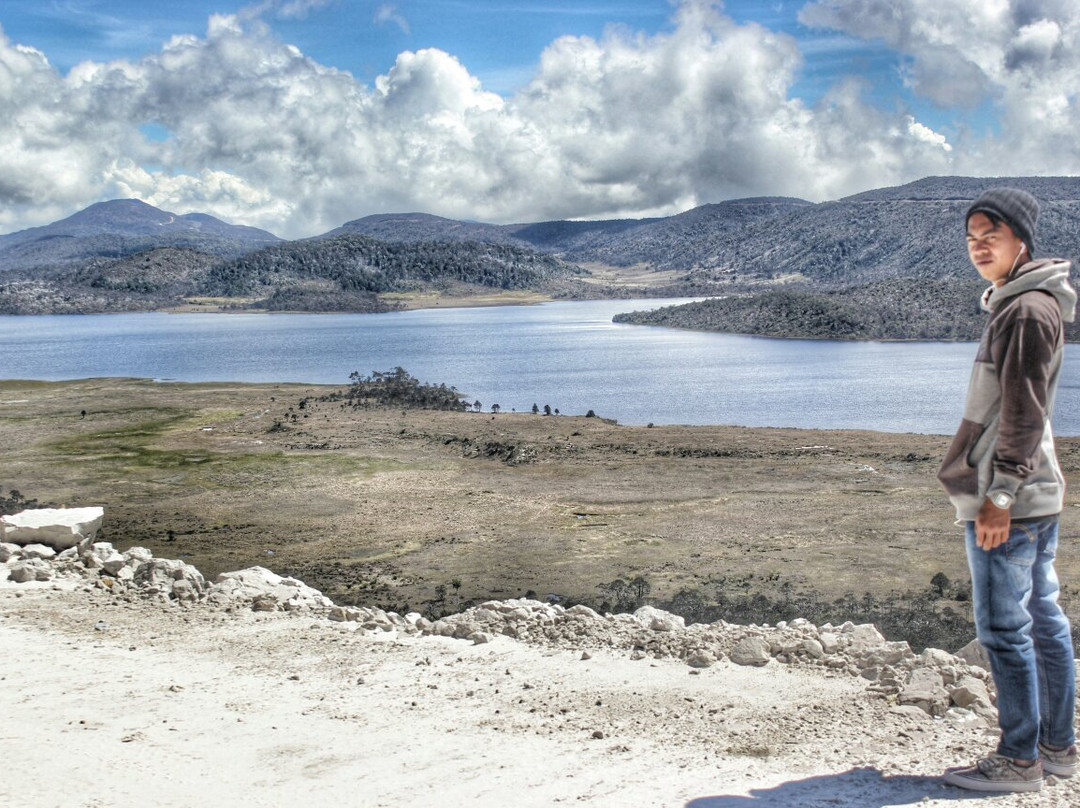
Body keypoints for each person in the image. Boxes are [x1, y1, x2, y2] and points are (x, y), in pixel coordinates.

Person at [937, 187, 1077, 793]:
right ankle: (1058, 749)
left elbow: (1023, 410)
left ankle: (1020, 761)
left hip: (1011, 500)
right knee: (1043, 619)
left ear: (1021, 239)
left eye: (990, 236)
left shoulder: (1023, 310)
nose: (978, 247)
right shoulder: (1027, 303)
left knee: (1004, 629)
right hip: (1033, 493)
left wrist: (999, 495)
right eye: (971, 238)